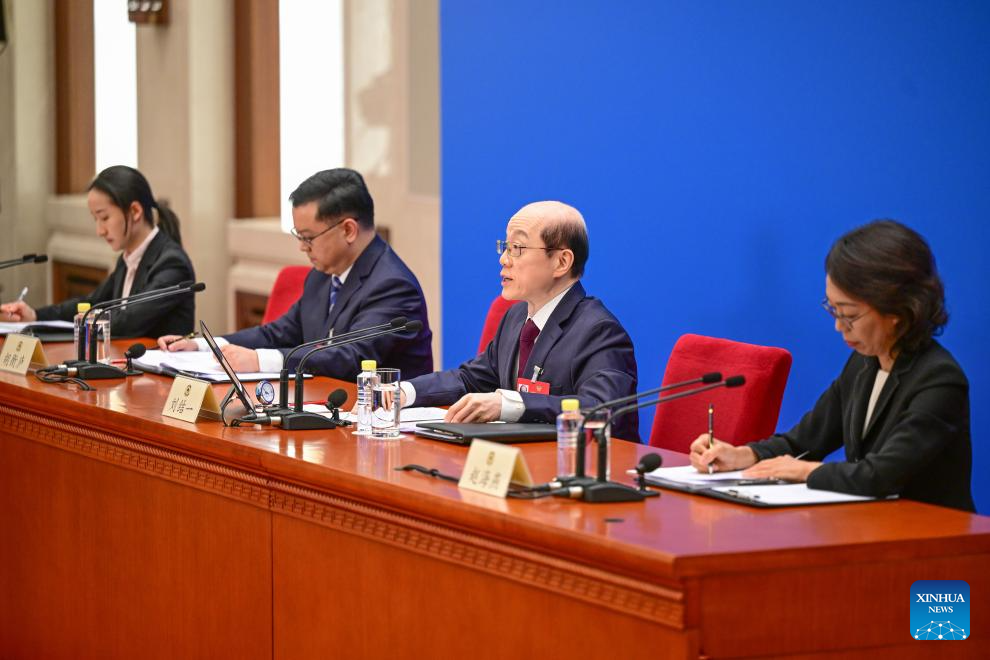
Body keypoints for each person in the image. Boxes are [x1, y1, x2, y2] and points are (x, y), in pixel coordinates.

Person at [690, 220, 973, 511]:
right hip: (871, 524)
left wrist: (805, 471)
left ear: (897, 310)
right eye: (833, 310)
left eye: (849, 315)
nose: (839, 326)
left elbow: (881, 475)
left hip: (932, 531)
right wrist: (742, 455)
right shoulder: (863, 364)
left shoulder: (939, 379)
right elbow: (803, 441)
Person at [158, 168, 433, 381]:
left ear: (348, 230)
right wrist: (203, 346)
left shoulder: (392, 286)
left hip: (382, 424)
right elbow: (278, 334)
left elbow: (350, 357)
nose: (302, 247)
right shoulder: (322, 276)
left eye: (308, 237)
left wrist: (259, 361)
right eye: (299, 236)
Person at [401, 201, 640, 441]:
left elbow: (601, 410)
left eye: (517, 248)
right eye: (505, 247)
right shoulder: (515, 317)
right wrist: (403, 392)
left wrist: (508, 404)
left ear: (561, 262)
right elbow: (470, 379)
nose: (504, 259)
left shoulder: (599, 331)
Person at [1, 165, 195, 337]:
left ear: (135, 211)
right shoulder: (127, 259)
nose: (100, 231)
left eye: (104, 218)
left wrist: (85, 320)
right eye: (96, 219)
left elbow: (128, 322)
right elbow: (91, 303)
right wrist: (35, 315)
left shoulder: (171, 263)